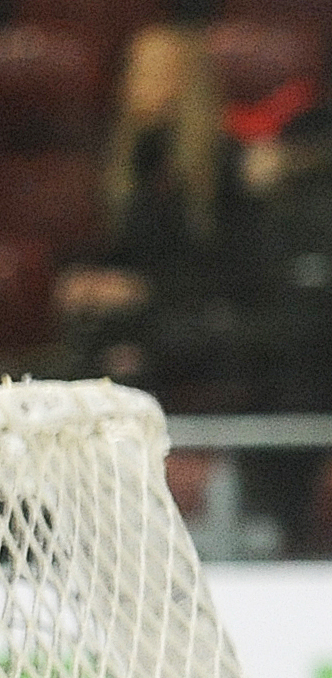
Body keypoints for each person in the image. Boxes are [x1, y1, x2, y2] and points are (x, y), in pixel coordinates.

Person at [52, 25, 263, 410]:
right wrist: (91, 278)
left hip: (204, 328)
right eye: (133, 71)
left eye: (150, 73)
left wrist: (139, 290)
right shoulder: (135, 161)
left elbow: (238, 273)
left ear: (187, 82)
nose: (133, 85)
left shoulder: (226, 165)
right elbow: (128, 250)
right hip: (148, 319)